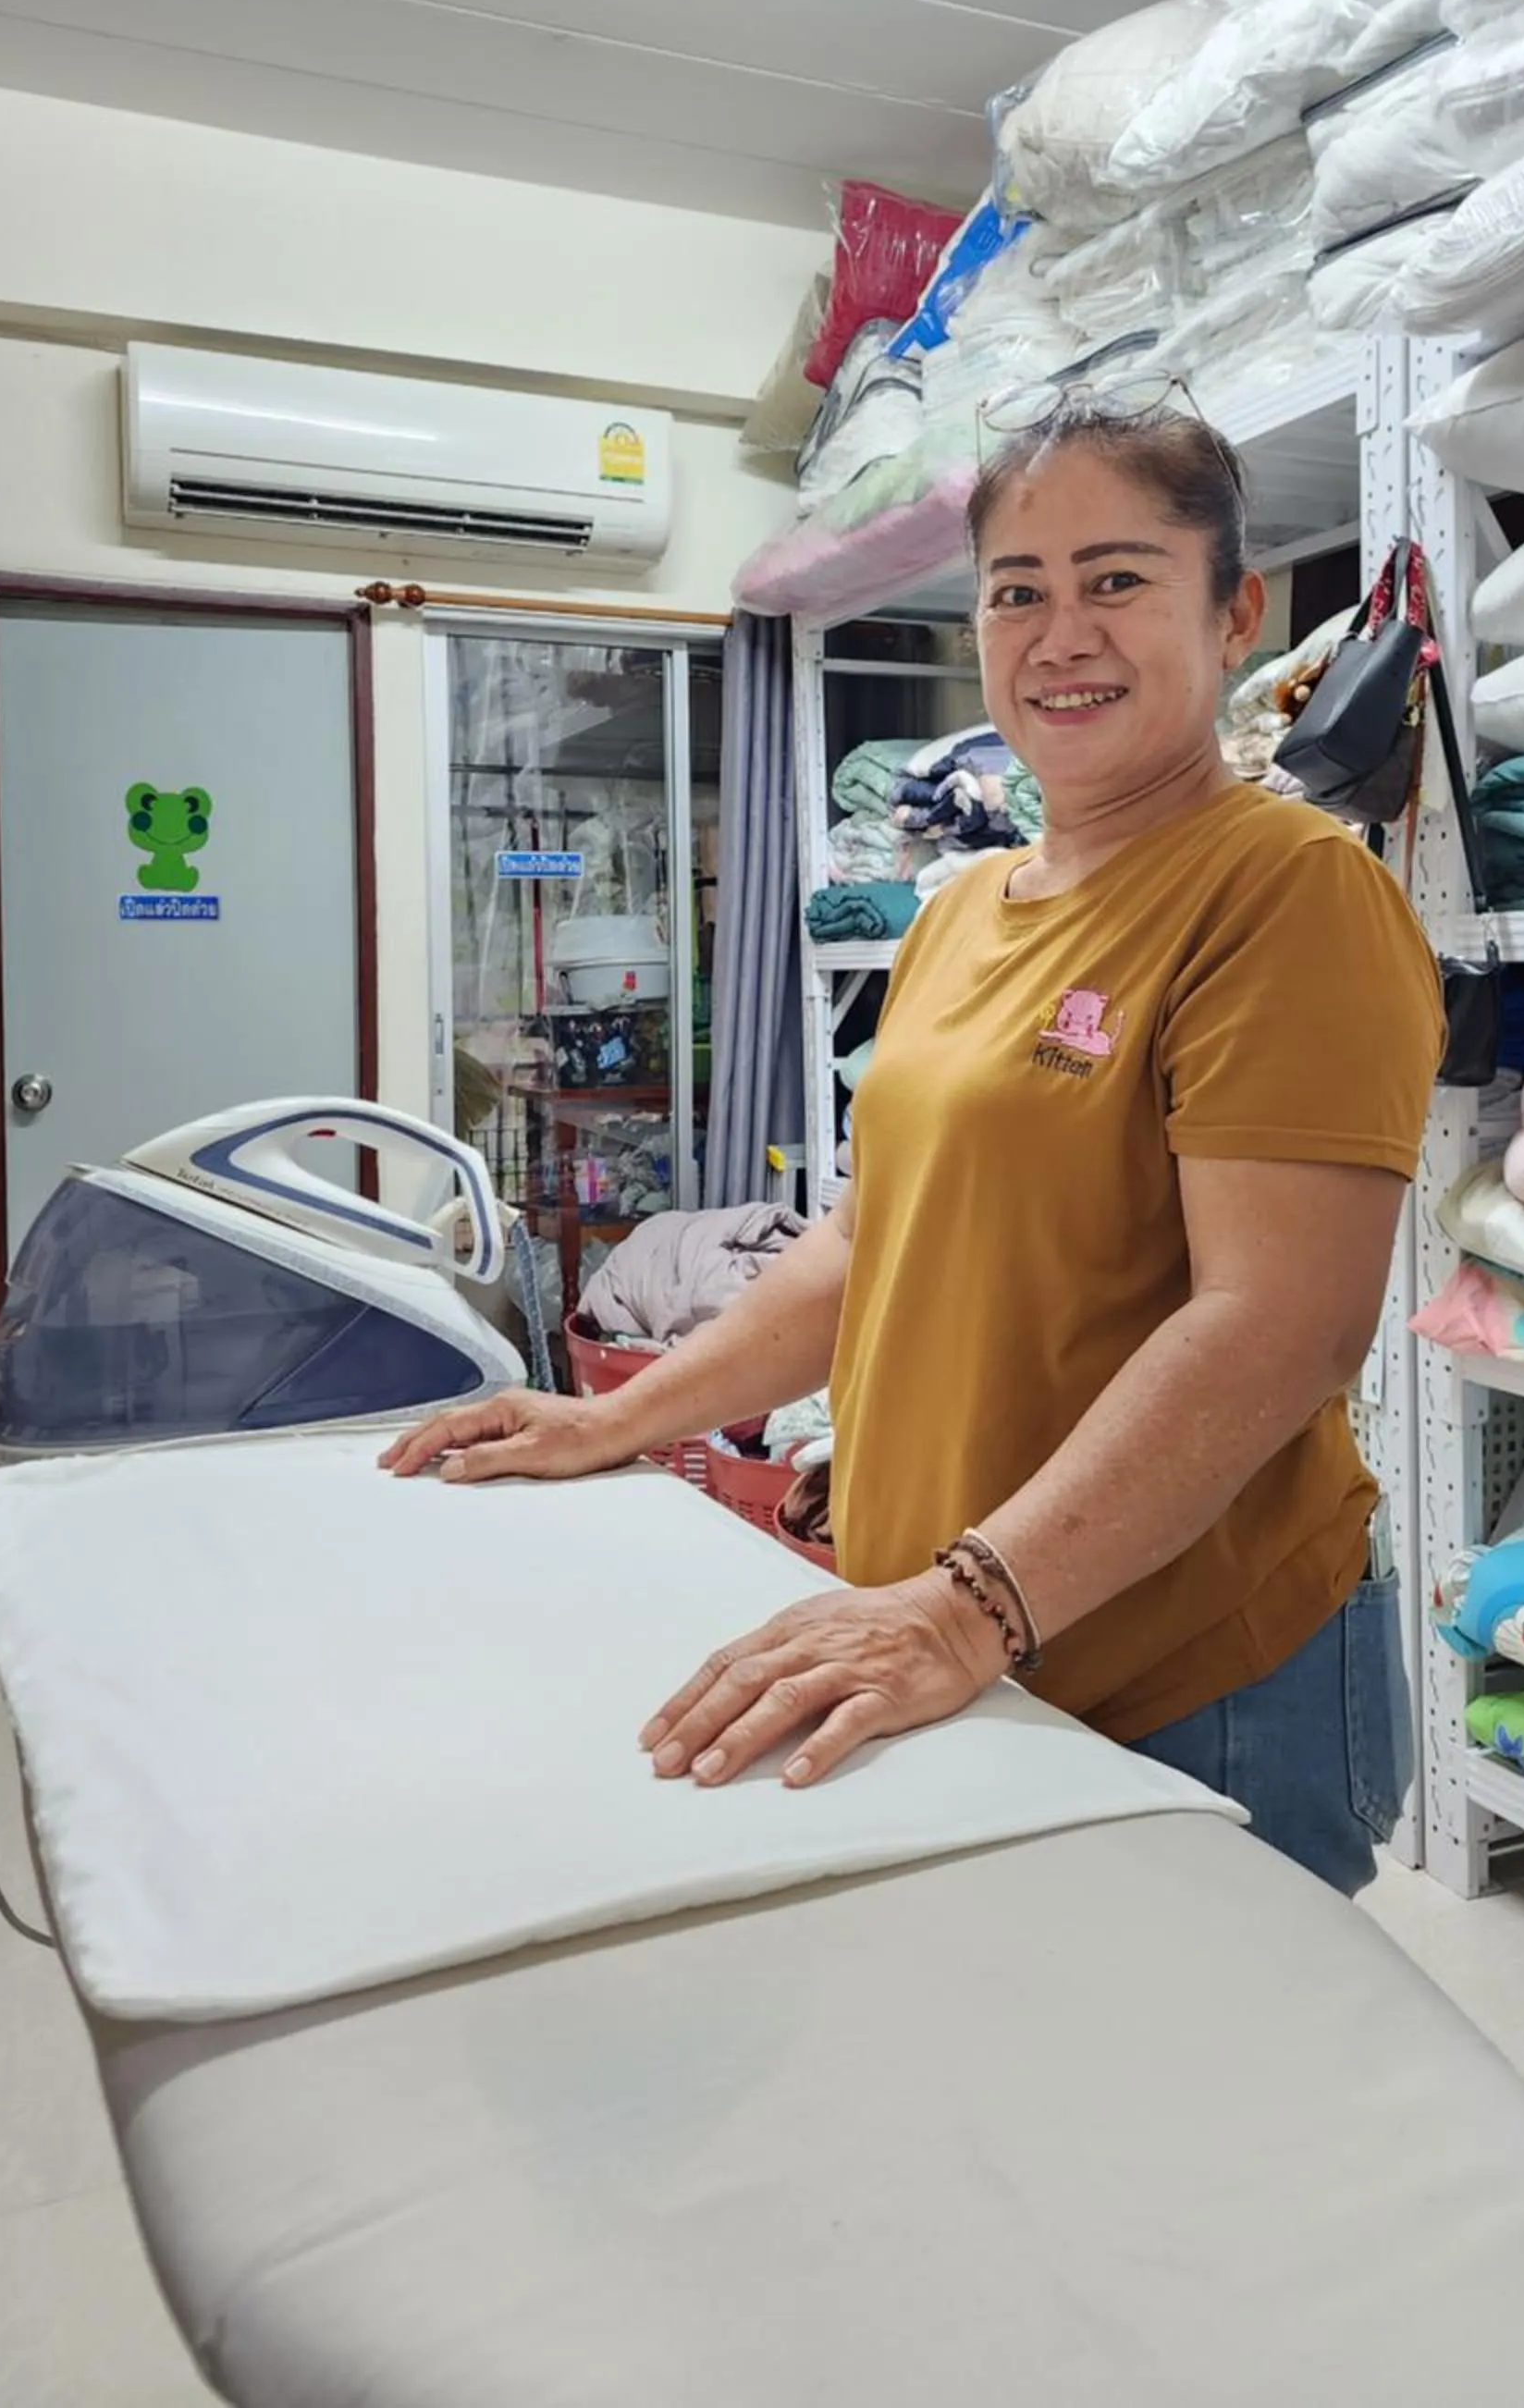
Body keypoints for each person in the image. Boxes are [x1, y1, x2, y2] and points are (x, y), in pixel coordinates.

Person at [386, 384, 1444, 1897]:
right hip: (967, 1629)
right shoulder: (960, 911)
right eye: (1017, 591)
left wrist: (963, 1609)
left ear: (1233, 616)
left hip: (1184, 1669)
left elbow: (1275, 1328)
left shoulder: (1284, 891)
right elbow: (866, 1239)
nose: (1059, 635)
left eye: (1116, 580)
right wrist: (614, 1420)